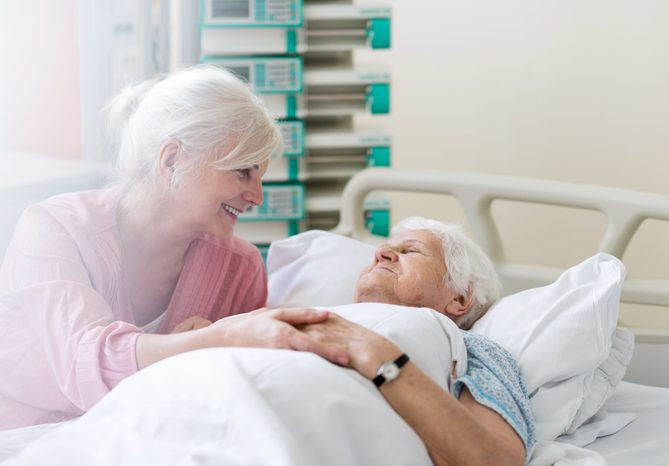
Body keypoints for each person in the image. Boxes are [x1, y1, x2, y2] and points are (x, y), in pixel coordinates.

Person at [0, 66, 345, 430]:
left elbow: (232, 398)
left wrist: (199, 357)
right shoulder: (55, 229)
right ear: (172, 159)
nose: (257, 197)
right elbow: (86, 363)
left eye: (260, 177)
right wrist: (208, 342)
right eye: (242, 172)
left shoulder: (240, 268)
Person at [300, 217, 535, 465]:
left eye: (410, 250)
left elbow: (495, 460)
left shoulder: (475, 350)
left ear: (460, 297)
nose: (381, 254)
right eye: (385, 249)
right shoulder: (311, 314)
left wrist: (377, 356)